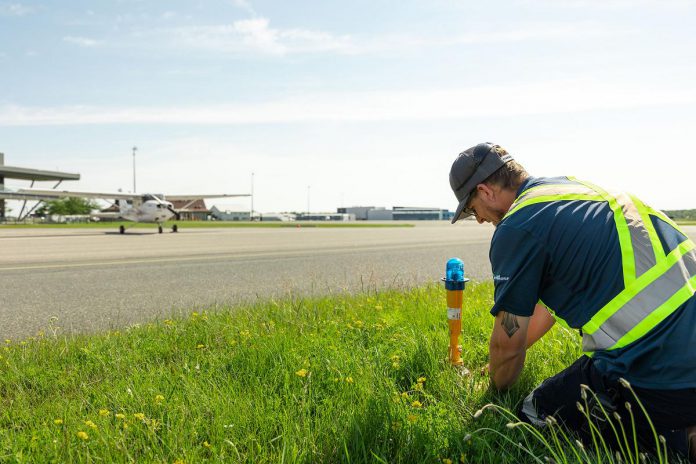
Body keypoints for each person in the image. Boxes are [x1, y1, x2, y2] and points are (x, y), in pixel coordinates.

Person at [448, 142, 696, 461]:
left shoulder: (517, 227)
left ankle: (670, 442)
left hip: (660, 363)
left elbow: (506, 345)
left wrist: (491, 393)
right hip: (684, 348)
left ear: (485, 191)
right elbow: (546, 312)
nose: (479, 220)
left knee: (535, 412)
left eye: (471, 210)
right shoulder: (572, 189)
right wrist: (494, 365)